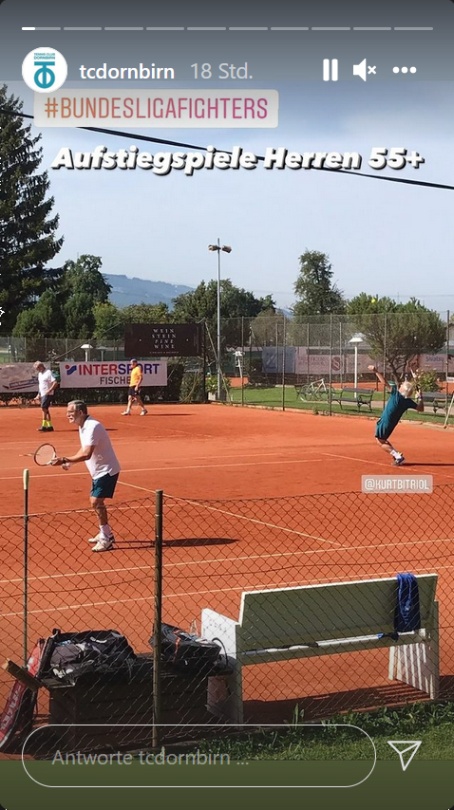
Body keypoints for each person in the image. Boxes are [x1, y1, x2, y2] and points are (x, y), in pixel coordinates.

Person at [52, 400, 121, 552]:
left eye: (71, 412)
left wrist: (64, 459)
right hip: (97, 471)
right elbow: (84, 449)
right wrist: (69, 462)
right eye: (67, 412)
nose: (68, 415)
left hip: (107, 470)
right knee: (96, 503)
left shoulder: (93, 426)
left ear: (81, 412)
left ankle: (106, 538)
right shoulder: (83, 426)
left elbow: (87, 454)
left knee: (95, 502)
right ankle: (105, 532)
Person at [368, 365, 424, 465]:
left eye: (402, 385)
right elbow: (421, 408)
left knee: (380, 441)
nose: (400, 385)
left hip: (385, 421)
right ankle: (396, 455)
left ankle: (397, 456)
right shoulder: (408, 401)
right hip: (391, 423)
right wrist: (420, 398)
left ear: (403, 389)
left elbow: (384, 383)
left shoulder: (396, 394)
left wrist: (376, 371)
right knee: (383, 439)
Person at [33, 361, 59, 432]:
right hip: (42, 394)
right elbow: (41, 385)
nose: (37, 370)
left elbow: (55, 382)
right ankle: (49, 426)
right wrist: (38, 394)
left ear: (41, 366)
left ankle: (44, 426)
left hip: (48, 394)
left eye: (38, 368)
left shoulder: (48, 372)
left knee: (43, 408)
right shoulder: (40, 374)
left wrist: (49, 390)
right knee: (45, 409)